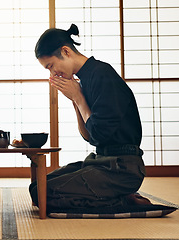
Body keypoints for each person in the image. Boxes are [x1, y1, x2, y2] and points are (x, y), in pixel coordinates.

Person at [29, 23, 150, 212]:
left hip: (122, 169)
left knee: (44, 194)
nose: (53, 73)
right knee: (37, 187)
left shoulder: (102, 75)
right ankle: (116, 196)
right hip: (101, 161)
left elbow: (99, 134)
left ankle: (121, 201)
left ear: (66, 51)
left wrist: (78, 97)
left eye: (51, 66)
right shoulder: (84, 79)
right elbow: (89, 136)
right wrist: (74, 99)